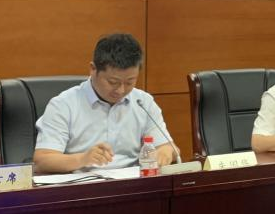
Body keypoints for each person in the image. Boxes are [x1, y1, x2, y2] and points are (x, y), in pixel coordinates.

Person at [34, 33, 177, 174]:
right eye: (113, 82)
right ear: (93, 69)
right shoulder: (64, 105)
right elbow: (43, 160)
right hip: (84, 184)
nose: (121, 90)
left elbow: (169, 148)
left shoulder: (143, 102)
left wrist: (165, 152)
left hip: (133, 183)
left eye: (130, 82)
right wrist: (82, 159)